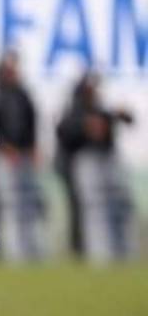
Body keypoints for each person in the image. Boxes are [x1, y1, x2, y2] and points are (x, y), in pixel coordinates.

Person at [55, 72, 137, 262]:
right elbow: (64, 132)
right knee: (95, 209)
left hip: (108, 161)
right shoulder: (74, 113)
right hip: (87, 162)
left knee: (120, 207)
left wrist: (119, 114)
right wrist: (85, 126)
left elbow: (129, 120)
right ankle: (101, 255)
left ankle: (123, 253)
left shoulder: (102, 111)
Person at [0, 51, 44, 260]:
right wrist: (4, 146)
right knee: (9, 205)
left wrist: (33, 147)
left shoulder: (23, 95)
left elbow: (32, 122)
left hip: (24, 157)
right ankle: (14, 252)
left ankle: (31, 250)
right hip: (5, 158)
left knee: (28, 204)